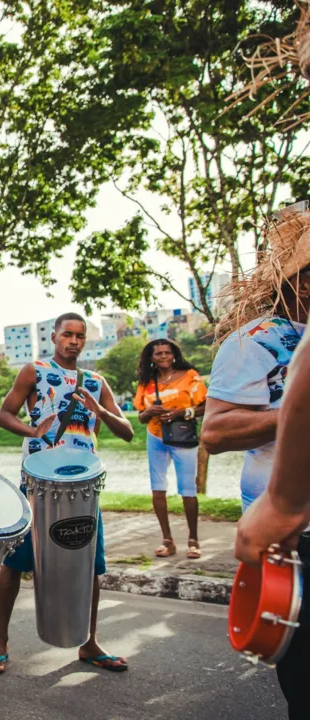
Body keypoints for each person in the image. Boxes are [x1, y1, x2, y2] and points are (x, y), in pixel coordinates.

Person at [0, 312, 133, 677]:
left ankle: (90, 642)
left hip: (83, 488)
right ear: (54, 336)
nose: (74, 341)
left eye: (80, 336)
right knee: (15, 563)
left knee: (90, 567)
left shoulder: (96, 382)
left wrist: (101, 412)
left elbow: (127, 431)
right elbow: (3, 415)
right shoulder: (34, 370)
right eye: (67, 334)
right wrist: (33, 431)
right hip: (38, 484)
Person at [206, 202, 310, 719]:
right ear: (304, 282)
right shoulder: (255, 341)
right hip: (291, 532)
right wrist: (292, 416)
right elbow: (215, 432)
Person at [132, 339, 206, 559]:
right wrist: (150, 411)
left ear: (174, 355)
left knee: (187, 489)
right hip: (156, 437)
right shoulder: (147, 381)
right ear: (151, 357)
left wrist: (181, 413)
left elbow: (206, 405)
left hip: (182, 436)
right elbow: (141, 416)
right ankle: (167, 540)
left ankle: (193, 540)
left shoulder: (190, 376)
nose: (163, 356)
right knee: (158, 488)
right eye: (158, 354)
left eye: (167, 352)